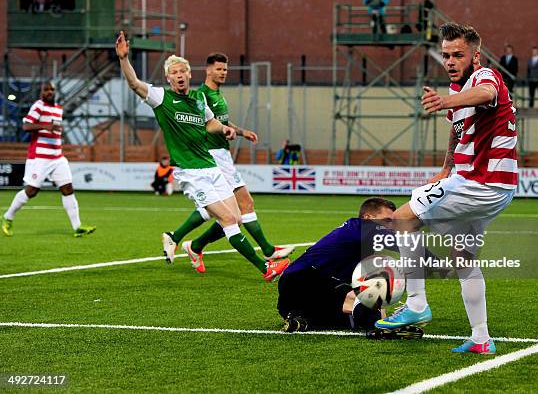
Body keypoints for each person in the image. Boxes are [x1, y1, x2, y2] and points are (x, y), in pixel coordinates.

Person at [374, 23, 517, 355]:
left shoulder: (485, 78)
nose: (450, 61)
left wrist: (445, 101)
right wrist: (445, 167)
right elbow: (458, 128)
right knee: (464, 257)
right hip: (490, 187)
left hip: (480, 184)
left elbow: (486, 95)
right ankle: (481, 337)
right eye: (446, 55)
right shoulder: (459, 93)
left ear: (475, 56)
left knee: (403, 218)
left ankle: (417, 304)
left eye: (458, 55)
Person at [115, 32, 289, 282]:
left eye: (182, 72)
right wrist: (123, 59)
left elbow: (210, 124)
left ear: (189, 75)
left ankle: (190, 244)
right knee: (228, 219)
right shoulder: (162, 98)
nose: (179, 75)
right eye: (174, 72)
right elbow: (134, 84)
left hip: (211, 166)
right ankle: (265, 268)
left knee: (236, 217)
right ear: (168, 77)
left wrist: (226, 129)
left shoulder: (198, 99)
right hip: (190, 172)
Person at [161, 52, 294, 271]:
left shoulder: (217, 95)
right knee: (237, 208)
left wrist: (240, 131)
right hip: (210, 156)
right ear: (207, 71)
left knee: (232, 213)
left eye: (225, 69)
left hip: (221, 153)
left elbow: (218, 121)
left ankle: (191, 244)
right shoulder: (200, 95)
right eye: (219, 69)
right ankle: (267, 251)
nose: (223, 73)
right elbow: (202, 124)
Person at [277, 197, 395, 332]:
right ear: (367, 217)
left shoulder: (359, 234)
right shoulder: (362, 230)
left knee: (354, 317)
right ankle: (382, 328)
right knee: (363, 305)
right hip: (302, 281)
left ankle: (301, 320)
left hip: (301, 296)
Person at [1, 82, 96, 237]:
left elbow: (54, 129)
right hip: (39, 158)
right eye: (46, 90)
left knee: (67, 189)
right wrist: (46, 126)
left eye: (52, 89)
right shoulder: (39, 106)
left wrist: (55, 130)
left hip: (57, 157)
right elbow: (26, 126)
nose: (50, 92)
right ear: (41, 93)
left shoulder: (58, 109)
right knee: (32, 191)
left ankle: (77, 227)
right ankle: (7, 217)